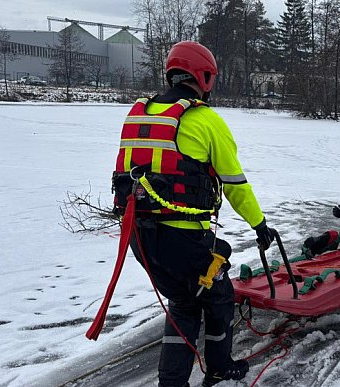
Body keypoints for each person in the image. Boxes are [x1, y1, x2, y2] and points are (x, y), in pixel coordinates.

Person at [112, 41, 273, 387]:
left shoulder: (140, 112)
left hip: (140, 238)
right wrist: (259, 225)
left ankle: (172, 382)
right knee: (219, 297)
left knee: (184, 302)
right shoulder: (204, 119)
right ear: (203, 76)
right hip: (182, 238)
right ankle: (218, 368)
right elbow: (235, 185)